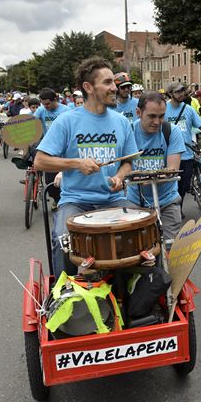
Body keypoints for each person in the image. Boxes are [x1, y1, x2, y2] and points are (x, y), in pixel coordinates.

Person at [34, 56, 139, 278]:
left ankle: (132, 295)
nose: (115, 87)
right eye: (108, 82)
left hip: (113, 200)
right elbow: (40, 161)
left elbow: (129, 161)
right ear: (88, 87)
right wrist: (76, 163)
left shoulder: (121, 122)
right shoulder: (67, 121)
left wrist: (120, 176)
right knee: (64, 239)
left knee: (141, 232)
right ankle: (66, 294)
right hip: (76, 201)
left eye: (114, 83)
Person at [127, 92, 185, 247]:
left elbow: (172, 169)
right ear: (138, 113)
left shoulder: (171, 131)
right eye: (152, 116)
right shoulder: (128, 132)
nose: (157, 121)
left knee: (170, 248)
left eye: (161, 116)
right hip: (135, 201)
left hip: (167, 200)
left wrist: (147, 178)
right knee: (137, 249)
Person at [164, 81, 201, 207]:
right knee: (170, 186)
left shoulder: (188, 109)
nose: (181, 94)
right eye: (177, 92)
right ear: (170, 93)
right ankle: (173, 210)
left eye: (182, 91)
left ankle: (178, 207)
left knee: (184, 186)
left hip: (187, 154)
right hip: (170, 155)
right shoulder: (163, 109)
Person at [34, 87, 71, 209]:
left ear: (55, 99)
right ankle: (56, 198)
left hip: (64, 148)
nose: (46, 107)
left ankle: (64, 200)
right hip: (49, 148)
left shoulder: (66, 111)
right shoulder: (41, 110)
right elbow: (32, 122)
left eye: (48, 104)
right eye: (43, 104)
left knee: (63, 178)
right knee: (50, 182)